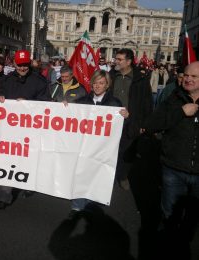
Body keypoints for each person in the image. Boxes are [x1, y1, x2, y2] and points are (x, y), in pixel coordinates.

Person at [143, 61, 199, 259]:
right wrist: (181, 113)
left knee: (192, 218)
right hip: (173, 169)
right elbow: (151, 124)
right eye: (186, 75)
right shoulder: (173, 98)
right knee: (169, 215)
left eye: (194, 76)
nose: (188, 79)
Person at [0, 50, 51, 211]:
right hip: (10, 131)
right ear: (14, 64)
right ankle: (5, 196)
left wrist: (29, 103)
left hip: (31, 131)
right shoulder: (7, 80)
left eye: (26, 65)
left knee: (28, 161)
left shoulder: (39, 81)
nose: (23, 68)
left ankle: (28, 185)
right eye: (20, 65)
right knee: (7, 162)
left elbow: (47, 103)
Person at [68, 70, 129, 217]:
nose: (97, 86)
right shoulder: (82, 101)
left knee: (96, 175)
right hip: (84, 147)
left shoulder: (115, 103)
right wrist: (65, 107)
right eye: (95, 82)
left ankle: (90, 204)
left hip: (102, 149)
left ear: (107, 85)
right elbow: (69, 118)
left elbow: (121, 129)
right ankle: (77, 205)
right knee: (81, 174)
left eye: (101, 83)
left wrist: (126, 118)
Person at [109, 48, 153, 190]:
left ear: (128, 62)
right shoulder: (111, 76)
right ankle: (109, 175)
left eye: (120, 59)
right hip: (111, 121)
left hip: (131, 121)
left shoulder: (140, 79)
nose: (116, 61)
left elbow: (147, 103)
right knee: (110, 149)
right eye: (116, 58)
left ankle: (122, 176)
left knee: (126, 151)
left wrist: (144, 124)